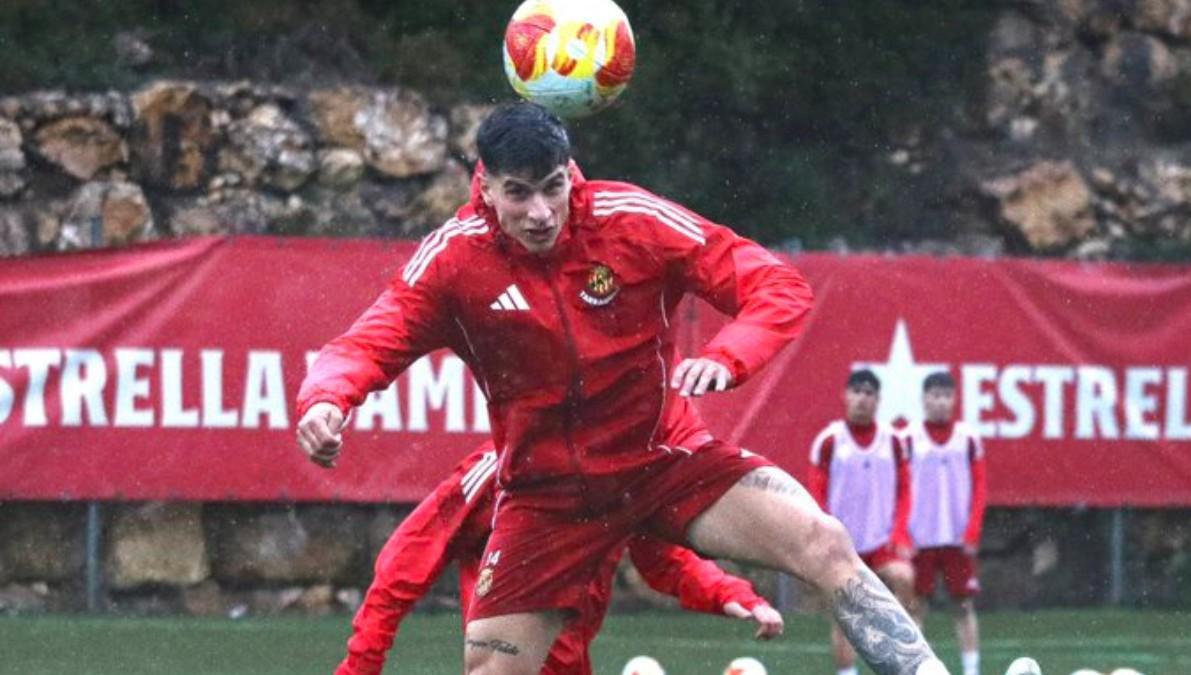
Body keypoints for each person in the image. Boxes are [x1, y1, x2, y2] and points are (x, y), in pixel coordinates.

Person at [296, 102, 949, 675]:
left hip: (663, 461)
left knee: (824, 542)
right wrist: (326, 399)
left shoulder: (630, 219)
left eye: (554, 187)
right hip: (547, 498)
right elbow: (364, 343)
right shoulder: (452, 260)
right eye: (519, 193)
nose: (542, 212)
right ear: (485, 187)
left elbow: (774, 286)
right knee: (493, 666)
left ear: (571, 170)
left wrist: (730, 353)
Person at [337, 441, 784, 675]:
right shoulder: (500, 469)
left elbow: (664, 561)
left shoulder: (623, 479)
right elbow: (405, 562)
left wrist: (731, 592)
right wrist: (361, 664)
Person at [809, 369, 916, 675]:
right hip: (843, 546)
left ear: (878, 400)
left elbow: (905, 490)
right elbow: (816, 494)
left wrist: (899, 533)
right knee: (845, 617)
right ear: (846, 396)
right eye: (857, 392)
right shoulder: (830, 441)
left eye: (869, 393)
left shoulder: (894, 441)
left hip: (882, 544)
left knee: (905, 577)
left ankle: (899, 651)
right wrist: (825, 537)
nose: (862, 399)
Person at [906, 372, 987, 675]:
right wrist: (902, 533)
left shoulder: (967, 438)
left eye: (946, 395)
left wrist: (972, 529)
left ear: (954, 399)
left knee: (963, 606)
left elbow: (979, 487)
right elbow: (901, 488)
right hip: (919, 537)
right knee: (916, 608)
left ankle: (971, 669)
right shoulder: (908, 437)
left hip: (956, 537)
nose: (940, 401)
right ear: (924, 399)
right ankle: (917, 668)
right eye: (934, 395)